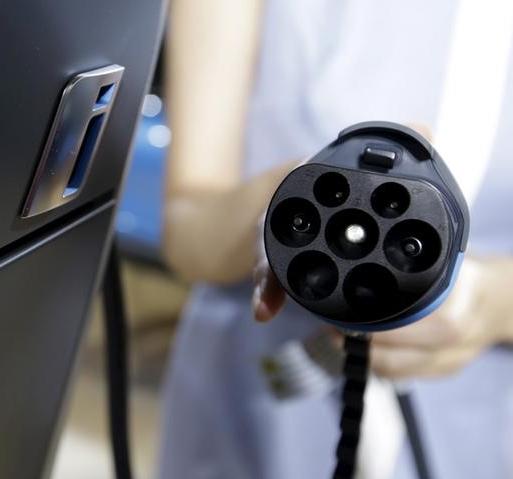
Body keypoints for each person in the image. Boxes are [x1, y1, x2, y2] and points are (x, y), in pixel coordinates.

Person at [158, 1, 513, 478]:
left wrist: (490, 304)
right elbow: (187, 228)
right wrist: (284, 200)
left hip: (469, 417)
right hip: (261, 404)